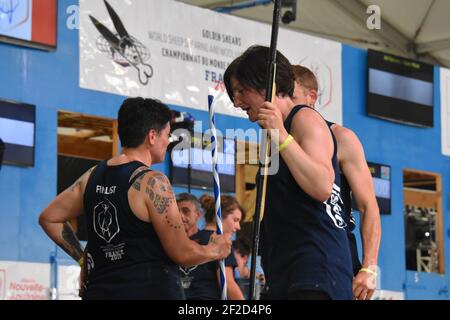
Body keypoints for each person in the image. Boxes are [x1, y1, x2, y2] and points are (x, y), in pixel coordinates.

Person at [39, 97, 231, 300]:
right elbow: (182, 253)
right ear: (152, 136)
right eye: (167, 135)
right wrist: (214, 250)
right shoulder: (154, 182)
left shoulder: (91, 176)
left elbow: (49, 218)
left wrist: (83, 259)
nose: (168, 141)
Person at [223, 45, 353, 300]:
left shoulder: (304, 119)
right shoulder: (275, 131)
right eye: (233, 94)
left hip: (315, 271)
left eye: (241, 91)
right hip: (289, 272)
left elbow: (322, 186)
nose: (237, 101)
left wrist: (281, 135)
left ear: (265, 84)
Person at [292, 65, 382, 300]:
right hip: (291, 260)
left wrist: (369, 267)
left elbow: (369, 206)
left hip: (335, 260)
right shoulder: (278, 140)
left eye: (290, 95)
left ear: (311, 97)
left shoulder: (341, 138)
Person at [180, 194, 245, 300]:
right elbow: (227, 283)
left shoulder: (190, 241)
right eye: (235, 220)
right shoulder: (222, 243)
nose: (238, 227)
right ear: (218, 217)